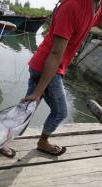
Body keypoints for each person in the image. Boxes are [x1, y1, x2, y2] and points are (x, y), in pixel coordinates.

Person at [18, 0, 102, 156]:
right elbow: (55, 54)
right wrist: (38, 92)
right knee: (60, 112)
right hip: (48, 66)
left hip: (51, 65)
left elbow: (98, 20)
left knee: (27, 109)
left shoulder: (97, 6)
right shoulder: (72, 6)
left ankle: (1, 138)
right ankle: (42, 142)